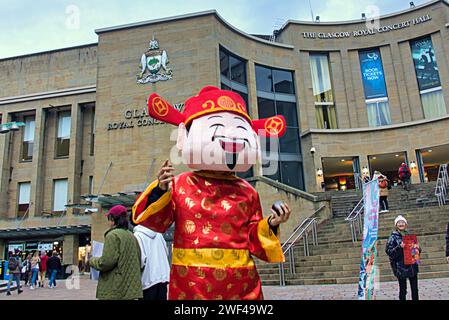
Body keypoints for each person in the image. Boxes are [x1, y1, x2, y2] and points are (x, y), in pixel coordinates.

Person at [133, 86, 292, 300]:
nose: (232, 141)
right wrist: (161, 189)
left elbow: (253, 238)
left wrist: (272, 223)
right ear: (184, 137)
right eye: (216, 127)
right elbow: (153, 225)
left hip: (242, 286)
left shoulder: (248, 192)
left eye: (240, 130)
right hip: (192, 286)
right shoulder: (180, 185)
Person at [89, 205, 143, 300]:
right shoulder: (132, 236)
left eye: (109, 219)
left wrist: (92, 261)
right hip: (130, 289)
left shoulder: (112, 235)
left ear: (113, 219)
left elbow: (106, 262)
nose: (108, 222)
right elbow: (139, 260)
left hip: (115, 288)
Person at [386, 215, 421, 300]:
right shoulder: (393, 237)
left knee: (415, 289)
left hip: (412, 265)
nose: (401, 224)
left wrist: (418, 248)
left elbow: (415, 252)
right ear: (396, 225)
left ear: (406, 224)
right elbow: (389, 252)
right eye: (399, 222)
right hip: (401, 267)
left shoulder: (409, 235)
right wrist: (399, 247)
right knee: (403, 289)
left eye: (403, 222)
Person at [133, 224, 170, 300]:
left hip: (148, 279)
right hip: (162, 277)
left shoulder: (137, 235)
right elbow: (166, 251)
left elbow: (141, 259)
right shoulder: (159, 234)